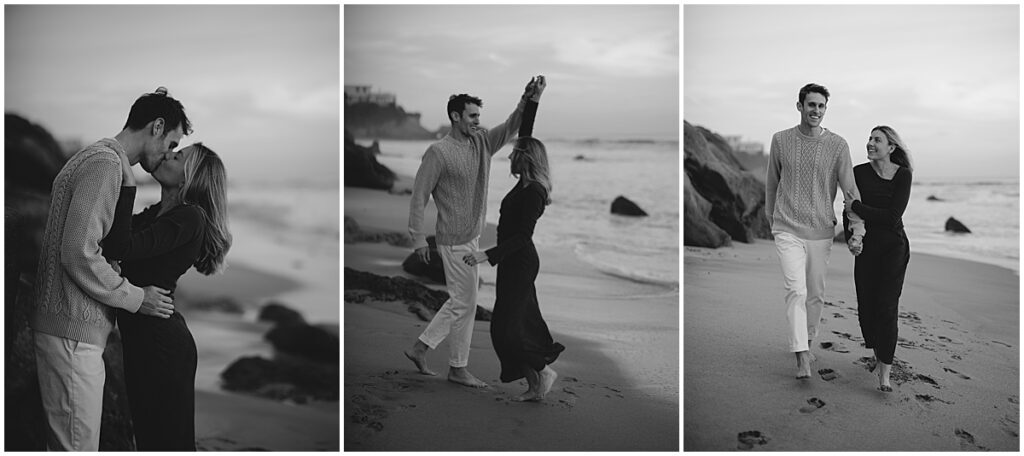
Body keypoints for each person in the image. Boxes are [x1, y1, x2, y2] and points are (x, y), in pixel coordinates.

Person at [30, 88, 184, 451]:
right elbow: (79, 253)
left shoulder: (104, 161)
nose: (169, 154)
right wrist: (136, 298)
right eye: (172, 143)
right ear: (157, 126)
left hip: (70, 329)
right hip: (71, 333)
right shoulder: (104, 164)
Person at [404, 76, 544, 388]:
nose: (478, 122)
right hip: (453, 240)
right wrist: (416, 238)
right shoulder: (438, 153)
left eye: (479, 117)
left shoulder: (482, 142)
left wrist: (528, 98)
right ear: (455, 116)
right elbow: (419, 195)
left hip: (473, 236)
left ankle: (420, 348)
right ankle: (457, 368)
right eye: (472, 116)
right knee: (465, 303)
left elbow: (511, 126)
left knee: (461, 300)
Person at [101, 140, 231, 450]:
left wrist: (129, 182)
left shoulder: (190, 218)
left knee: (168, 443)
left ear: (190, 175)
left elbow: (122, 248)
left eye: (179, 155)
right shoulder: (157, 213)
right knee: (149, 439)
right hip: (142, 338)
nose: (169, 154)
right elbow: (110, 238)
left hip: (163, 346)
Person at [462, 84, 565, 401]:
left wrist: (486, 256)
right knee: (511, 326)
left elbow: (523, 237)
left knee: (508, 328)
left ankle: (542, 375)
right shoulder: (524, 183)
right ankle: (537, 382)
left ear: (525, 159)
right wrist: (532, 100)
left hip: (520, 261)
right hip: (511, 261)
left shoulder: (534, 192)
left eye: (514, 154)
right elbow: (527, 132)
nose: (509, 156)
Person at [764, 83, 866, 379]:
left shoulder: (838, 145)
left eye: (821, 106)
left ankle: (807, 340)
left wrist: (857, 227)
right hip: (787, 226)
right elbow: (772, 182)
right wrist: (771, 217)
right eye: (811, 105)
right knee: (796, 289)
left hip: (821, 229)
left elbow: (850, 190)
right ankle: (801, 357)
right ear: (799, 106)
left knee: (815, 294)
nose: (816, 111)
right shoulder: (781, 140)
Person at [843, 126, 913, 392]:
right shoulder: (858, 173)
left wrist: (858, 208)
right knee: (867, 309)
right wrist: (852, 236)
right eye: (870, 139)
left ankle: (885, 372)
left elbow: (892, 216)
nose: (870, 143)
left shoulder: (903, 176)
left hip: (894, 248)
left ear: (891, 148)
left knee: (887, 307)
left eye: (877, 140)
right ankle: (876, 350)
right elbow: (847, 211)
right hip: (867, 249)